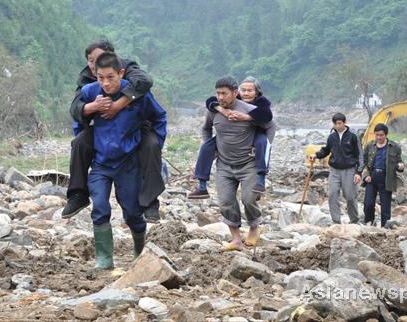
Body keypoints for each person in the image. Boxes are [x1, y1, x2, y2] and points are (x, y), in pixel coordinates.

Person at [80, 52, 167, 270]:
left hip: (128, 163)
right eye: (100, 78)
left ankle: (139, 252)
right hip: (100, 164)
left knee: (132, 213)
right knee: (99, 206)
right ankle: (104, 260)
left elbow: (159, 117)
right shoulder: (91, 92)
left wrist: (154, 147)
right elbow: (79, 120)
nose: (106, 83)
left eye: (110, 77)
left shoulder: (137, 94)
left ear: (120, 73)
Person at [62, 40, 165, 222]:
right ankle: (78, 195)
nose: (94, 65)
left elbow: (145, 83)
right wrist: (93, 107)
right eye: (90, 60)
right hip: (104, 127)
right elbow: (76, 108)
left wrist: (118, 105)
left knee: (151, 145)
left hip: (136, 124)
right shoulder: (87, 78)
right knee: (79, 143)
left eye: (98, 58)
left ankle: (150, 201)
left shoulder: (126, 67)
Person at [203, 76, 276, 251]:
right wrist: (209, 145)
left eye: (224, 94)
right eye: (218, 93)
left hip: (249, 164)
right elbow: (206, 128)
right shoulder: (214, 110)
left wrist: (264, 148)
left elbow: (270, 125)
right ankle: (236, 239)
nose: (220, 97)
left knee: (248, 199)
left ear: (235, 94)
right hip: (224, 165)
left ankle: (254, 227)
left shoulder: (251, 110)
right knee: (225, 202)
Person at [188, 76, 275, 199]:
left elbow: (268, 117)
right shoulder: (229, 101)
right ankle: (201, 185)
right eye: (243, 90)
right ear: (237, 92)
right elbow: (210, 102)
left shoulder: (260, 103)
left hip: (257, 133)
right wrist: (222, 110)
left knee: (262, 144)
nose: (246, 93)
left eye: (250, 91)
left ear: (257, 92)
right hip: (225, 154)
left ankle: (261, 178)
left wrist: (247, 117)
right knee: (206, 147)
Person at [309, 113, 363, 224]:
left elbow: (359, 155)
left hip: (349, 170)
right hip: (334, 170)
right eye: (335, 124)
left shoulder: (353, 136)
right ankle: (336, 221)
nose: (337, 126)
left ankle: (354, 220)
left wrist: (359, 172)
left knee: (349, 196)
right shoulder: (332, 137)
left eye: (339, 123)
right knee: (332, 194)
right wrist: (316, 155)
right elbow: (326, 150)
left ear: (344, 122)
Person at [362, 123, 404, 227]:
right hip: (371, 178)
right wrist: (366, 175)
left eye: (381, 135)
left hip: (386, 179)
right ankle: (369, 223)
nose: (379, 137)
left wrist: (401, 166)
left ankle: (385, 227)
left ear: (386, 135)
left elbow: (399, 162)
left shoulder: (395, 147)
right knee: (368, 203)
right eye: (377, 135)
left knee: (385, 206)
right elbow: (363, 163)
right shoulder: (369, 146)